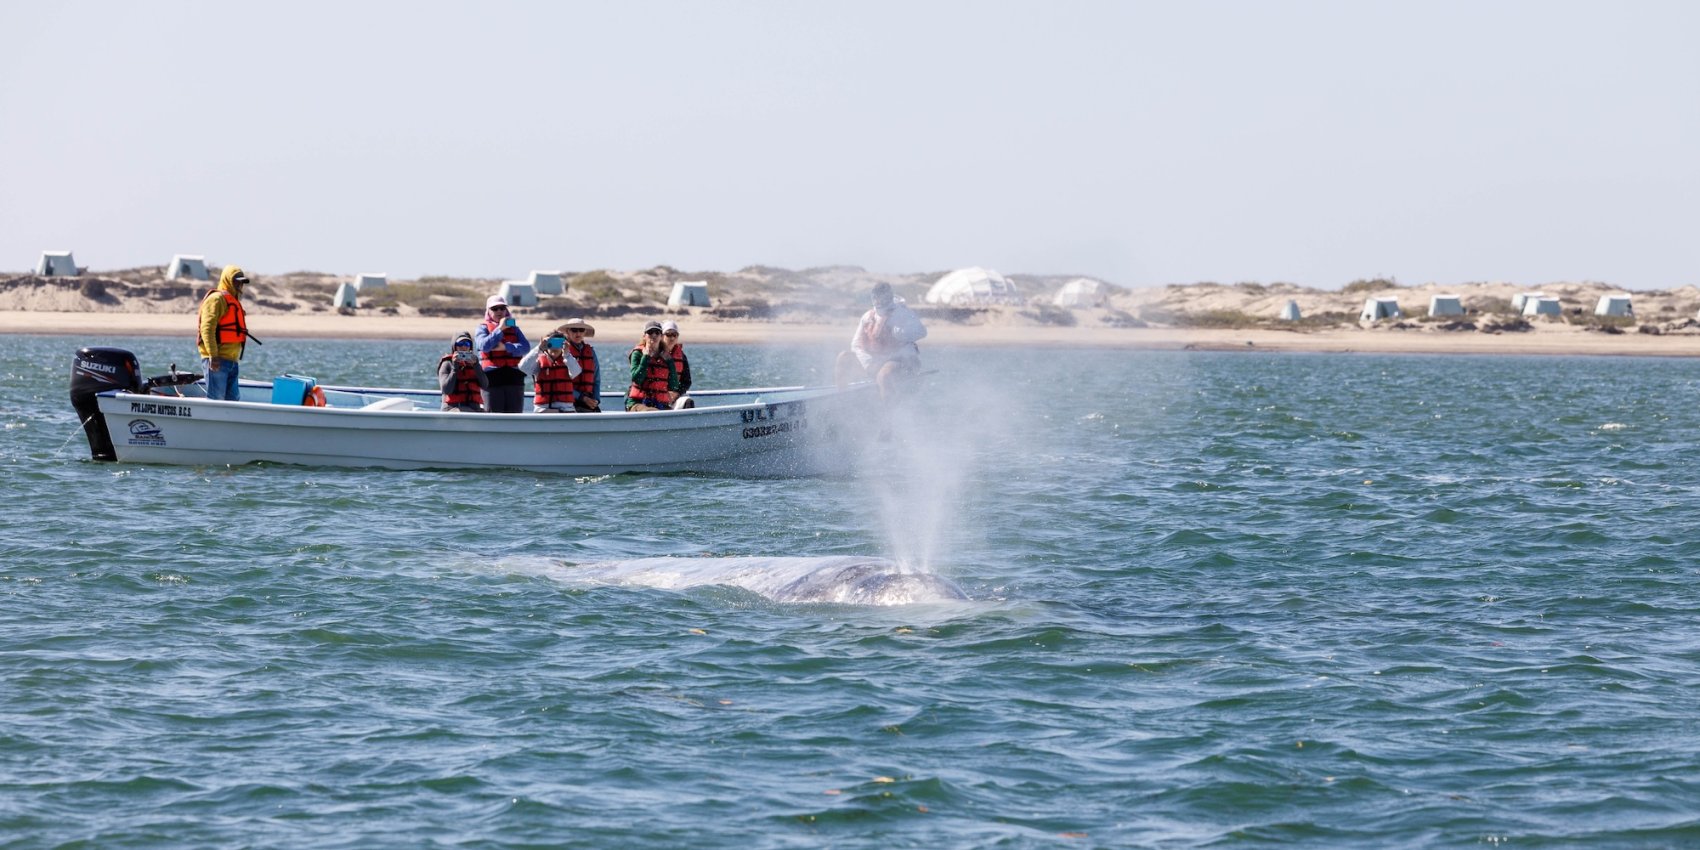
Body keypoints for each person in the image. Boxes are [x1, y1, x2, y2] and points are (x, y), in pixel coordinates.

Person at [836, 281, 927, 402]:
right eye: (876, 297)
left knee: (884, 375)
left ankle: (888, 414)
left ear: (889, 296)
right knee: (844, 357)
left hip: (903, 361)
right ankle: (842, 399)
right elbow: (856, 345)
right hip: (874, 363)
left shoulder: (903, 313)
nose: (879, 301)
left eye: (882, 297)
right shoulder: (868, 317)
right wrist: (868, 363)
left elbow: (921, 331)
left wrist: (902, 333)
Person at [196, 265, 253, 400]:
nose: (239, 284)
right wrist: (213, 355)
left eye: (241, 282)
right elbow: (207, 328)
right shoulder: (216, 299)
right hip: (218, 360)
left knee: (233, 401)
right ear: (227, 280)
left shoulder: (234, 301)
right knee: (217, 400)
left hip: (231, 361)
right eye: (236, 281)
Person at [474, 295, 531, 413]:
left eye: (502, 308)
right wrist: (500, 329)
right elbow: (484, 346)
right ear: (488, 312)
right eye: (495, 309)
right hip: (492, 378)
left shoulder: (515, 329)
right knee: (493, 414)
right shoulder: (482, 328)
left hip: (514, 377)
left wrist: (506, 347)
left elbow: (525, 348)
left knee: (515, 415)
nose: (499, 311)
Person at [518, 330, 584, 413]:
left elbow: (576, 372)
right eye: (552, 342)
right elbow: (522, 367)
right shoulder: (538, 362)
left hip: (566, 409)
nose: (555, 347)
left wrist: (567, 354)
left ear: (564, 345)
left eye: (559, 343)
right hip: (543, 409)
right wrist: (538, 348)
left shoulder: (568, 361)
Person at [627, 320, 678, 411]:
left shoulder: (666, 357)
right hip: (638, 402)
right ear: (644, 336)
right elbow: (637, 379)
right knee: (652, 411)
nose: (653, 336)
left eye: (657, 333)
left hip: (660, 403)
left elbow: (673, 386)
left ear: (661, 336)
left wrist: (670, 363)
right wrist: (645, 358)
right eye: (650, 332)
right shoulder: (637, 354)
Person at [437, 332, 488, 412]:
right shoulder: (447, 364)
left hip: (474, 408)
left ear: (470, 347)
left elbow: (485, 385)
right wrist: (455, 368)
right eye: (460, 344)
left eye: (467, 344)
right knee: (466, 412)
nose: (463, 347)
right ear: (454, 346)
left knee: (486, 415)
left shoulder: (474, 364)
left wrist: (476, 366)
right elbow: (446, 390)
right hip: (452, 408)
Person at [560, 317, 602, 412]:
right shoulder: (561, 351)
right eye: (574, 330)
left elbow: (596, 379)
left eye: (581, 330)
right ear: (567, 332)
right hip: (568, 399)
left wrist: (596, 399)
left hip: (588, 399)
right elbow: (561, 382)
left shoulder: (590, 351)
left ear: (584, 332)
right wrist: (582, 398)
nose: (578, 333)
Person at [660, 320, 694, 408]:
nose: (672, 338)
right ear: (662, 336)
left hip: (675, 396)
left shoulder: (682, 356)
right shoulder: (655, 354)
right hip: (658, 395)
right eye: (668, 334)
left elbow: (687, 381)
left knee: (688, 402)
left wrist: (676, 393)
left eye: (674, 335)